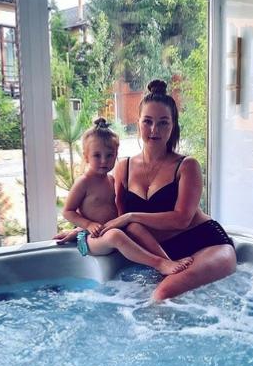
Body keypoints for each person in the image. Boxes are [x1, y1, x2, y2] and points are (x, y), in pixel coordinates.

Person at [99, 79, 237, 301]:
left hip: (206, 244)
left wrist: (132, 215)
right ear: (138, 122)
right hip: (164, 254)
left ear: (173, 126)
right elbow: (117, 219)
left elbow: (182, 219)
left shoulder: (187, 166)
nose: (154, 130)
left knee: (162, 295)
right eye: (148, 121)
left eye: (163, 123)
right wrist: (81, 230)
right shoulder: (123, 168)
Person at [53, 118, 193, 276]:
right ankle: (159, 264)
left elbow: (118, 208)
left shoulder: (111, 180)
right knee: (116, 235)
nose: (104, 161)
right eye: (97, 155)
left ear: (116, 155)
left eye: (109, 155)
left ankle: (167, 260)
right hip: (90, 238)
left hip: (108, 231)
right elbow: (68, 211)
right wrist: (87, 225)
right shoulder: (84, 182)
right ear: (86, 157)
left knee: (135, 227)